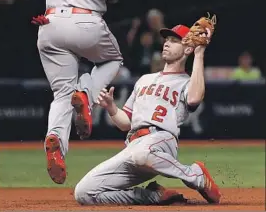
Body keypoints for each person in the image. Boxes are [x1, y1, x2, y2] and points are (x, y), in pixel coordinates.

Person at [23, 0, 133, 184]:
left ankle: (55, 140)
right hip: (84, 20)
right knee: (112, 60)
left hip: (49, 24)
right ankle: (86, 91)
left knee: (61, 93)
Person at [74, 24, 221, 205]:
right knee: (84, 192)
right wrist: (111, 108)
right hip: (134, 145)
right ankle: (154, 196)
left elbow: (194, 99)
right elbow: (126, 123)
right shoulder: (144, 80)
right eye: (166, 40)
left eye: (174, 41)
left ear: (188, 49)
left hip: (161, 139)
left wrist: (199, 54)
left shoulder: (185, 82)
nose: (167, 44)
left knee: (142, 154)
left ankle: (195, 175)